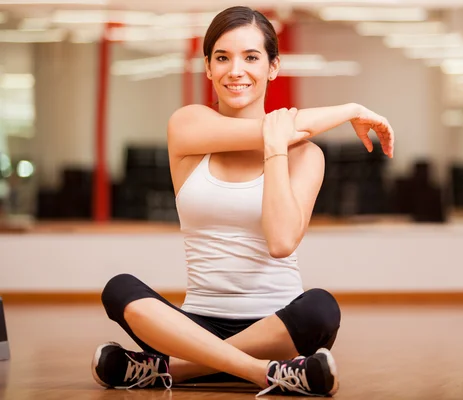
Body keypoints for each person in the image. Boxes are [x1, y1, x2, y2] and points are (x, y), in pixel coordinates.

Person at [91, 5, 394, 397]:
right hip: (193, 325)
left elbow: (281, 242)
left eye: (251, 57)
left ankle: (172, 370)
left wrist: (275, 147)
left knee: (321, 309)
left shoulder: (307, 156)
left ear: (273, 67)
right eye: (222, 57)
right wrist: (350, 110)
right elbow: (269, 129)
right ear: (207, 67)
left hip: (278, 324)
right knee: (120, 289)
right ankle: (265, 373)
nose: (236, 70)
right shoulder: (187, 125)